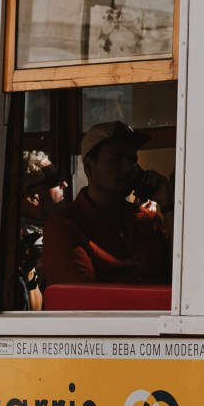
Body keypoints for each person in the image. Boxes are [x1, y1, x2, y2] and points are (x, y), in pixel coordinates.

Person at [37, 122, 171, 289]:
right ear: (89, 167)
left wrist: (167, 204)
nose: (128, 168)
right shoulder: (66, 226)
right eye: (116, 161)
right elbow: (82, 303)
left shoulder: (148, 221)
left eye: (132, 160)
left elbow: (185, 275)